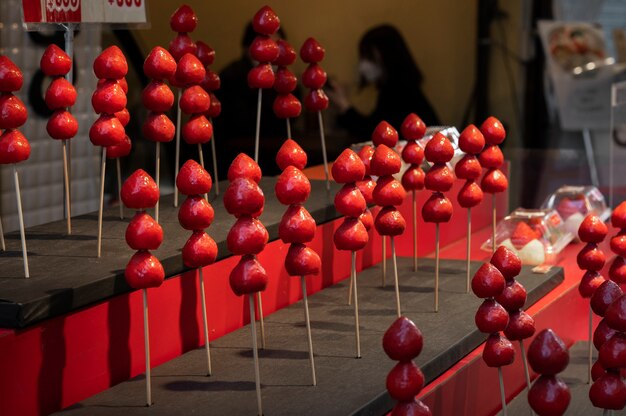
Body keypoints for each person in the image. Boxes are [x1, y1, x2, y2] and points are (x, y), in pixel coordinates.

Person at [328, 24, 440, 139]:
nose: (362, 66)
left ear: (387, 55)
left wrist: (343, 105)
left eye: (368, 57)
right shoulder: (400, 87)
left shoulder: (399, 90)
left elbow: (375, 133)